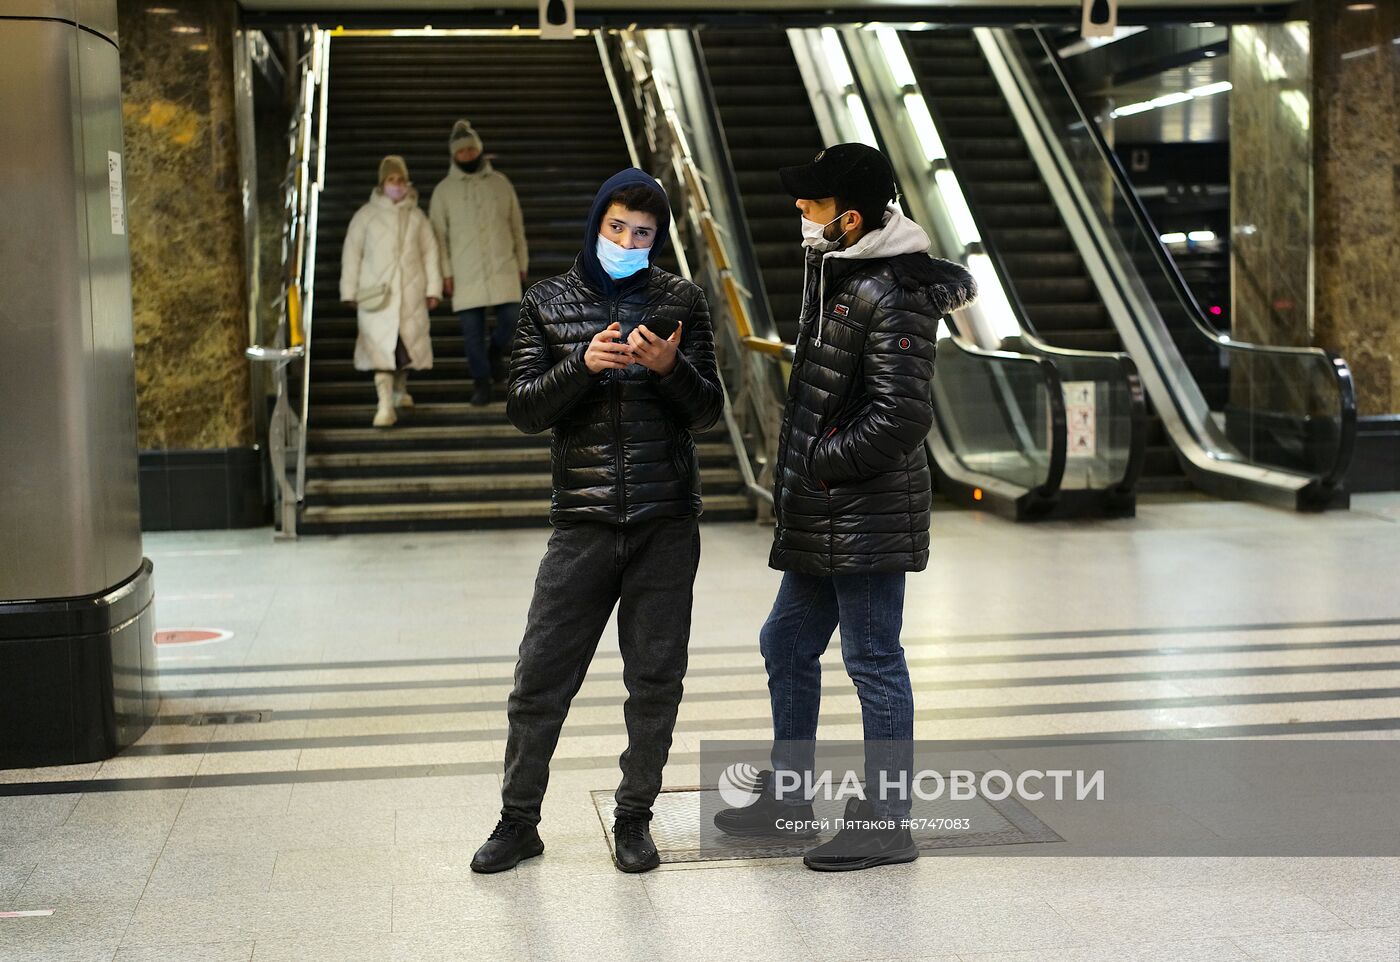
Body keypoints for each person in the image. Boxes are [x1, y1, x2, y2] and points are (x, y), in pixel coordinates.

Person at [712, 144, 978, 871]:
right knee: (786, 643)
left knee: (873, 659)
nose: (800, 211)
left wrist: (822, 466)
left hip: (863, 507)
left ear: (850, 217)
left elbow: (900, 417)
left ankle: (888, 820)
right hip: (830, 507)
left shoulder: (888, 291)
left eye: (813, 203)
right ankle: (791, 797)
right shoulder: (840, 272)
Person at [470, 168, 723, 876]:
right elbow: (522, 408)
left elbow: (708, 411)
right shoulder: (546, 303)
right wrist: (580, 365)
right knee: (540, 680)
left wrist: (671, 367)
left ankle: (634, 819)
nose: (628, 242)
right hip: (581, 521)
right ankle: (518, 822)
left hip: (664, 520)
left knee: (655, 680)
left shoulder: (682, 300)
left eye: (642, 234)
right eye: (618, 228)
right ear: (596, 225)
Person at [428, 119, 529, 406]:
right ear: (453, 155)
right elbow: (439, 238)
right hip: (464, 272)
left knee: (511, 318)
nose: (467, 155)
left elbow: (516, 227)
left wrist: (522, 261)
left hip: (503, 266)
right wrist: (444, 273)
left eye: (471, 150)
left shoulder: (500, 183)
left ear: (479, 150)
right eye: (462, 152)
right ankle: (481, 382)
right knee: (472, 335)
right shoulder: (443, 191)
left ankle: (495, 352)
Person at [339, 155, 442, 428]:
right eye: (391, 180)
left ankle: (399, 390)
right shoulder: (365, 216)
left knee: (405, 347)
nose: (396, 184)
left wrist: (434, 288)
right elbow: (352, 254)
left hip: (410, 294)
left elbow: (430, 253)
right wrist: (348, 291)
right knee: (380, 348)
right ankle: (383, 404)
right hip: (377, 296)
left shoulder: (418, 217)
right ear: (382, 183)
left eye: (400, 179)